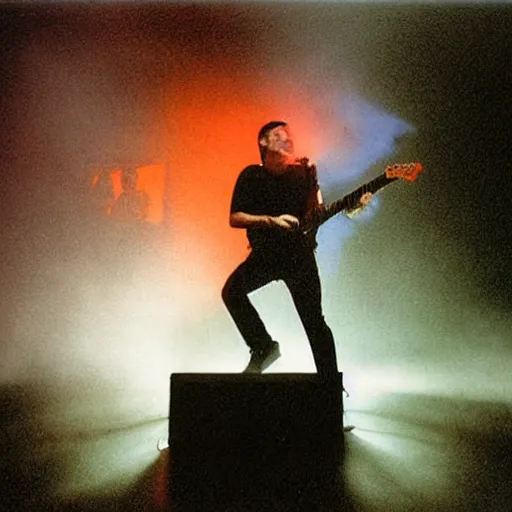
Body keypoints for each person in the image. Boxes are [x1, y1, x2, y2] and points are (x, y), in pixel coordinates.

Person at [221, 121, 372, 376]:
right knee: (232, 292)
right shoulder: (251, 176)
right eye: (279, 136)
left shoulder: (304, 173)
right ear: (263, 142)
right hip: (266, 256)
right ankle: (263, 347)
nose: (288, 140)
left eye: (289, 136)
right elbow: (235, 218)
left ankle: (329, 385)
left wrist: (355, 208)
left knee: (315, 322)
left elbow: (318, 213)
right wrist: (272, 220)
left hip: (298, 258)